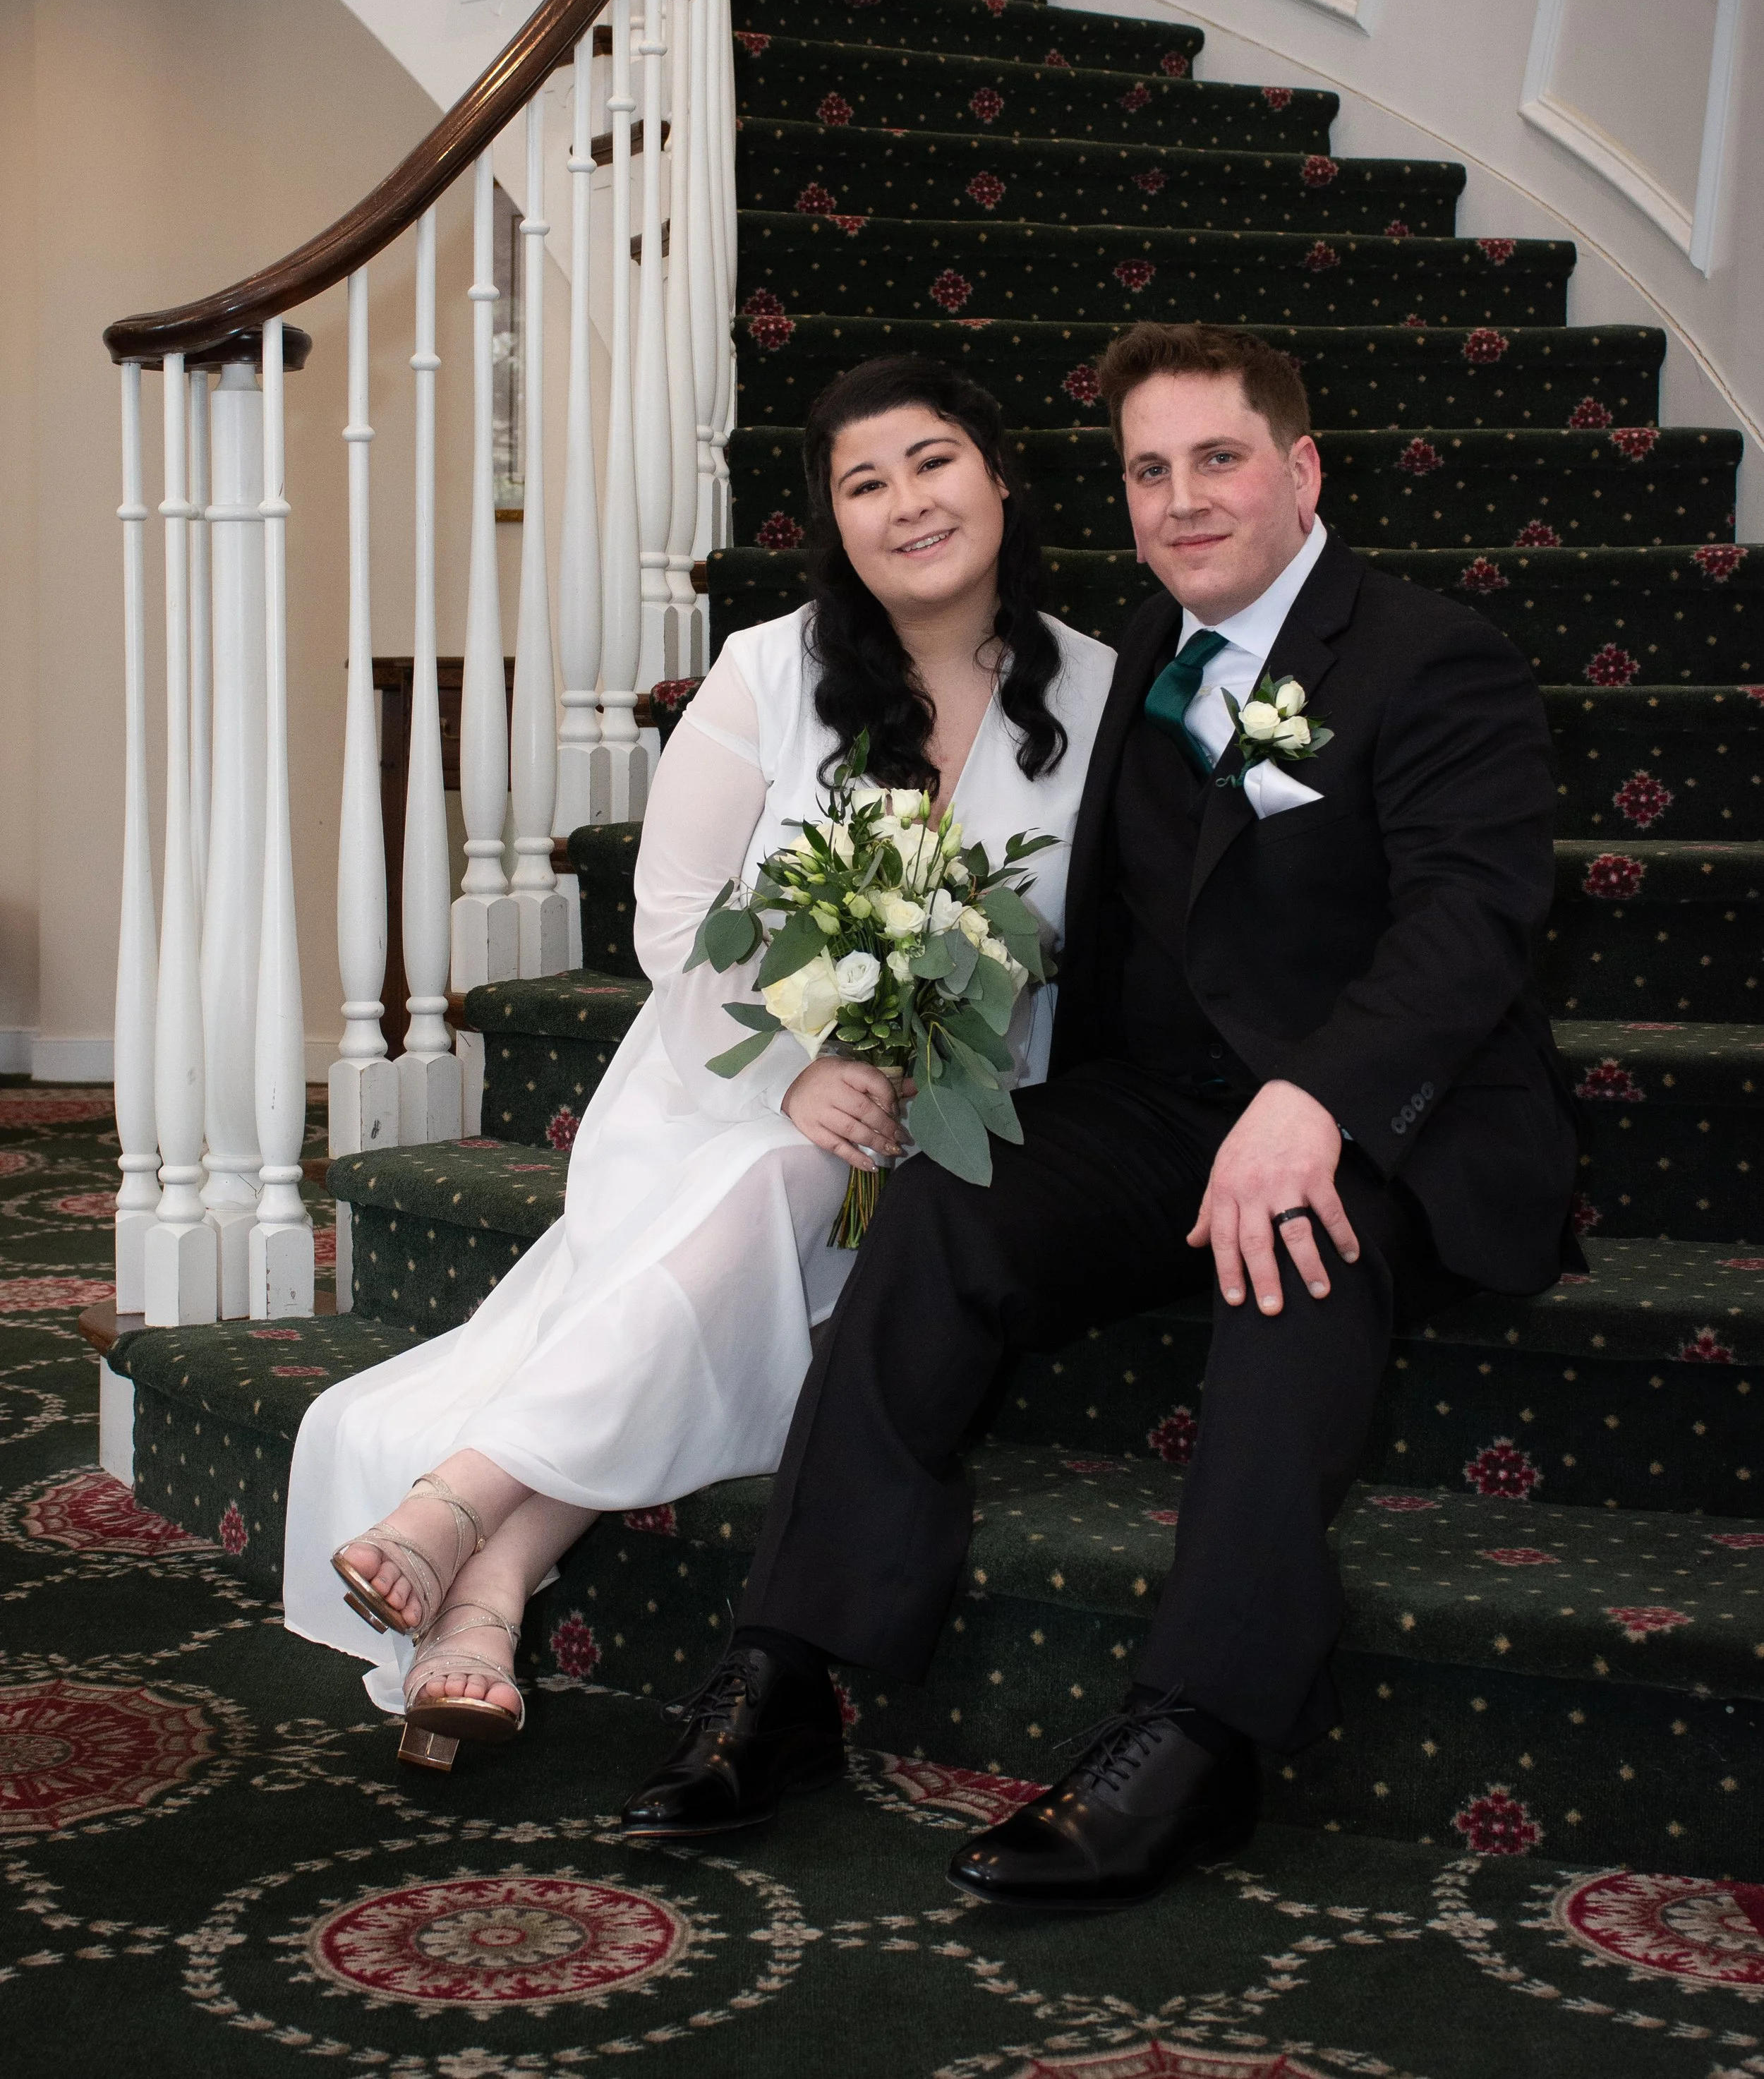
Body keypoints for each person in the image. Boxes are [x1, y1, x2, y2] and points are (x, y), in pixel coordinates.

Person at [619, 318, 1579, 1908]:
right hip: (1165, 1107)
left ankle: (1194, 1735)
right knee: (950, 1196)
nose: (1182, 499)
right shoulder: (1133, 658)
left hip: (1394, 1121)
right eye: (1149, 469)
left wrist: (1318, 1103)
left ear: (1300, 469)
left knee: (1288, 1243)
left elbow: (1466, 926)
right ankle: (785, 1671)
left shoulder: (1427, 653)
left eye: (1217, 460)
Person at [280, 354, 1116, 1761]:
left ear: (998, 476)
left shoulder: (1097, 690)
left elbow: (1092, 938)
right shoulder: (768, 671)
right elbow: (674, 922)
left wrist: (949, 1061)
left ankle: (472, 1552)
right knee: (775, 1185)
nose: (905, 503)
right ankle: (469, 1532)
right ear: (834, 525)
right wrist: (795, 1071)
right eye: (864, 484)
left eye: (931, 463)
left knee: (782, 1217)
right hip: (723, 1084)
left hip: (961, 1113)